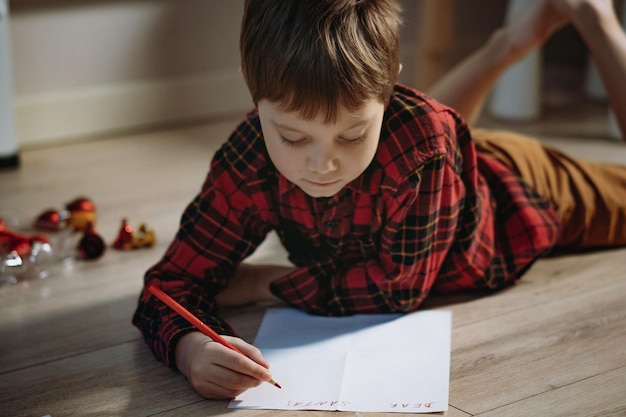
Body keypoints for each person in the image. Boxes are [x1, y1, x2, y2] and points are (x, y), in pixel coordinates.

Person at [133, 0, 626, 400]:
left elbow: (397, 289)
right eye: (292, 137)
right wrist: (189, 348)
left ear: (388, 91)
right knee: (429, 135)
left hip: (520, 189)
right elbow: (167, 286)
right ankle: (508, 44)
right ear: (252, 89)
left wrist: (265, 283)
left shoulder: (424, 144)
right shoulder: (246, 157)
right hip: (434, 157)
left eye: (350, 137)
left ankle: (596, 18)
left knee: (432, 135)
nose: (320, 165)